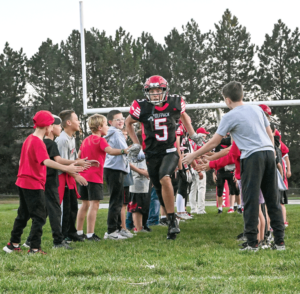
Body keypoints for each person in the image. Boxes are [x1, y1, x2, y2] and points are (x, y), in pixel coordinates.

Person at [183, 81, 285, 250]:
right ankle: (279, 242)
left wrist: (194, 154)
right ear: (242, 95)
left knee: (251, 201)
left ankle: (252, 243)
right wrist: (272, 153)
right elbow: (269, 134)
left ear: (227, 100)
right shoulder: (257, 109)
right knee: (272, 200)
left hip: (252, 158)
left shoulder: (229, 116)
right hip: (268, 153)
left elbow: (215, 141)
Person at [125, 75, 203, 240]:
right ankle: (170, 220)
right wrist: (136, 143)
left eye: (158, 90)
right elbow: (128, 122)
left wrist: (193, 134)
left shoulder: (174, 103)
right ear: (147, 92)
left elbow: (184, 116)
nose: (155, 93)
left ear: (164, 90)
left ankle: (173, 219)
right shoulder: (142, 107)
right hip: (151, 153)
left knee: (165, 177)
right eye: (151, 90)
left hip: (169, 150)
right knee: (159, 189)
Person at [3, 111, 83, 254]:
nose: (52, 128)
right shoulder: (38, 142)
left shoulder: (28, 139)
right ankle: (34, 248)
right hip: (33, 184)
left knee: (23, 214)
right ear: (47, 127)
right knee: (39, 217)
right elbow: (46, 161)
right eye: (52, 125)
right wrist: (67, 168)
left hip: (22, 182)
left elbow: (22, 161)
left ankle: (13, 244)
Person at [22, 115, 90, 250]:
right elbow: (56, 161)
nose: (60, 128)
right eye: (58, 126)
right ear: (51, 127)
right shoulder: (50, 143)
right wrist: (75, 163)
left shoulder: (38, 142)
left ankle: (29, 241)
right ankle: (58, 242)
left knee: (44, 212)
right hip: (50, 180)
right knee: (54, 211)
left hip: (42, 181)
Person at [76, 114, 130, 241]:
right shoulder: (101, 140)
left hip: (83, 176)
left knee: (84, 204)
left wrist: (86, 162)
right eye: (106, 125)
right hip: (94, 177)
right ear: (100, 127)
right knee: (94, 205)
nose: (107, 127)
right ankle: (90, 234)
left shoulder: (85, 140)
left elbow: (78, 158)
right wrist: (124, 150)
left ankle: (79, 232)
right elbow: (110, 151)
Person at [55, 110, 88, 243]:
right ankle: (63, 235)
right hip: (62, 178)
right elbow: (61, 162)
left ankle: (71, 232)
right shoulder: (62, 140)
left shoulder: (72, 138)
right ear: (68, 122)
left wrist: (82, 163)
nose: (79, 121)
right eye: (76, 119)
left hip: (69, 178)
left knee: (73, 206)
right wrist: (76, 175)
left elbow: (73, 160)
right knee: (65, 208)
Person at [103, 110, 131, 240]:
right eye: (117, 119)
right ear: (110, 122)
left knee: (118, 201)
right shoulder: (116, 133)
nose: (121, 121)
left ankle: (118, 228)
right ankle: (111, 231)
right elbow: (124, 150)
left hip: (115, 168)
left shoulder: (114, 132)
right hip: (114, 169)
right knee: (116, 201)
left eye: (122, 118)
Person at [189, 127, 210, 214]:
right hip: (198, 166)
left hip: (190, 167)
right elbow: (199, 155)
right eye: (204, 135)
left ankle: (193, 209)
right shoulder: (199, 143)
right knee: (201, 188)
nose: (205, 137)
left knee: (193, 188)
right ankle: (201, 209)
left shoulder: (190, 142)